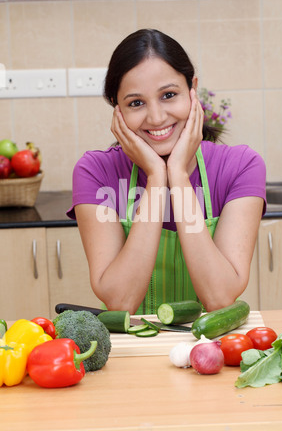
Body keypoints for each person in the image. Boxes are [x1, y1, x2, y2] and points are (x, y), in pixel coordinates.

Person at [67, 29, 266, 315]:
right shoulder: (95, 172)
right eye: (136, 103)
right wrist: (157, 179)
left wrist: (178, 174)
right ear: (116, 108)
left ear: (192, 89)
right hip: (130, 351)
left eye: (169, 95)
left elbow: (220, 298)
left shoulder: (241, 167)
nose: (157, 117)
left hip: (212, 348)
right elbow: (120, 302)